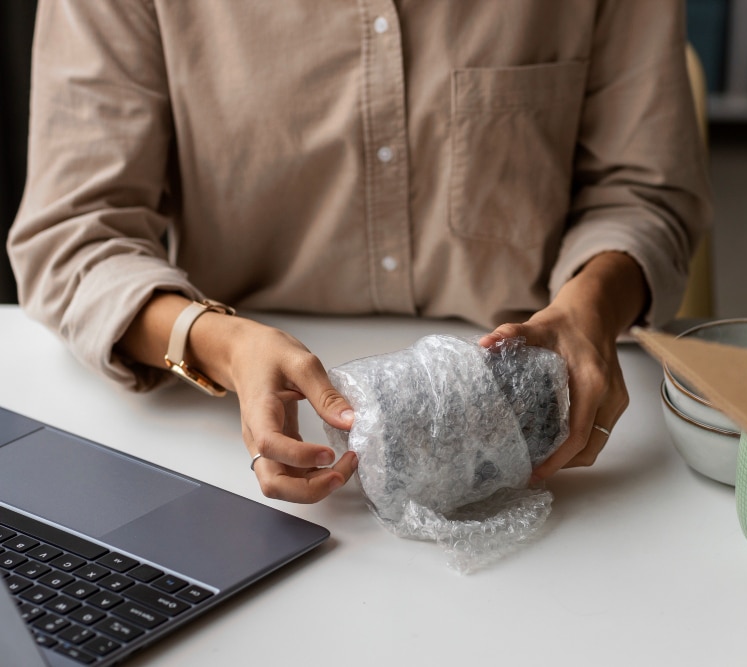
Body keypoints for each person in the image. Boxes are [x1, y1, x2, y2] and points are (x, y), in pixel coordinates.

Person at [8, 1, 710, 504]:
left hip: (544, 439)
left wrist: (592, 303)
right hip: (228, 451)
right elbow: (74, 233)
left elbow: (645, 192)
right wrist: (216, 343)